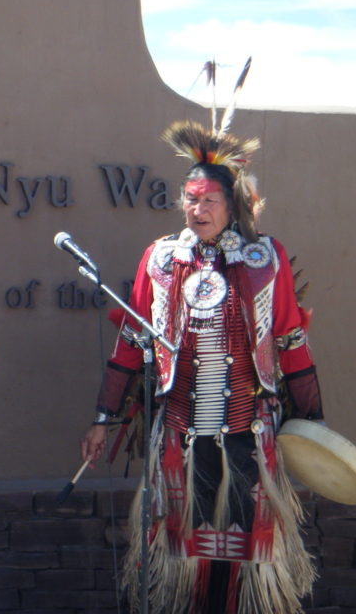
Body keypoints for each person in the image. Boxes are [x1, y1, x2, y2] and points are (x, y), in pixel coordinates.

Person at [81, 118, 323, 614]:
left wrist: (315, 423)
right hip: (178, 431)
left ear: (234, 206)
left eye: (209, 200)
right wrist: (104, 418)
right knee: (180, 551)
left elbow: (290, 341)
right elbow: (130, 343)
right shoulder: (161, 259)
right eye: (190, 200)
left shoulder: (264, 258)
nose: (198, 209)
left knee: (244, 553)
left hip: (247, 430)